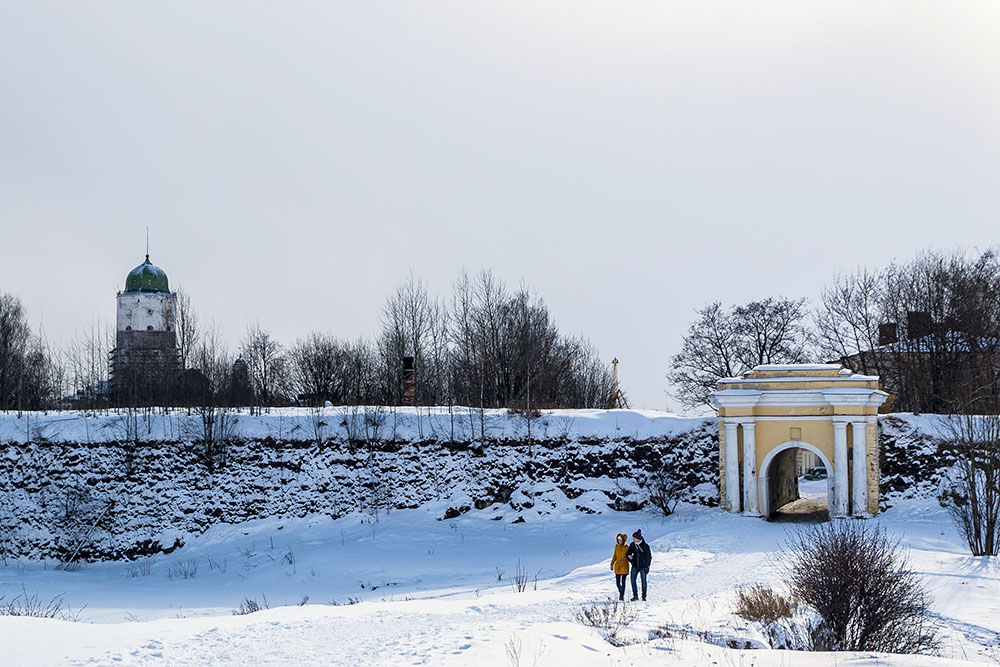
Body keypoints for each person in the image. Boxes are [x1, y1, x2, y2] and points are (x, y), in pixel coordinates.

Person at [626, 529, 652, 601]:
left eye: (634, 538)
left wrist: (647, 566)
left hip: (643, 567)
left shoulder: (645, 546)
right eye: (633, 538)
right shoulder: (632, 545)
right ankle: (635, 596)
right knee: (632, 580)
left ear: (638, 538)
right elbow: (628, 554)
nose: (633, 539)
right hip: (635, 566)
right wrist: (630, 559)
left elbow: (649, 557)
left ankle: (644, 596)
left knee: (643, 581)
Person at [610, 533, 630, 601]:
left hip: (624, 566)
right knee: (618, 583)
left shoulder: (627, 547)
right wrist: (612, 564)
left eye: (620, 540)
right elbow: (615, 556)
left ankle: (621, 595)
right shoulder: (617, 546)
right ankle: (621, 592)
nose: (619, 541)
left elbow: (629, 557)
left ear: (623, 540)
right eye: (618, 540)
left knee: (623, 582)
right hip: (617, 566)